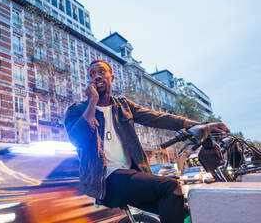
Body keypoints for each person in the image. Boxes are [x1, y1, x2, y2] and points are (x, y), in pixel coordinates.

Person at [64, 60, 229, 223]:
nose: (97, 77)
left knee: (181, 208)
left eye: (101, 72)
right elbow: (78, 138)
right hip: (106, 180)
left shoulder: (122, 105)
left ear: (111, 78)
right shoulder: (76, 110)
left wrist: (201, 126)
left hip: (130, 175)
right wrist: (92, 100)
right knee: (170, 187)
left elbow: (155, 117)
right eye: (92, 74)